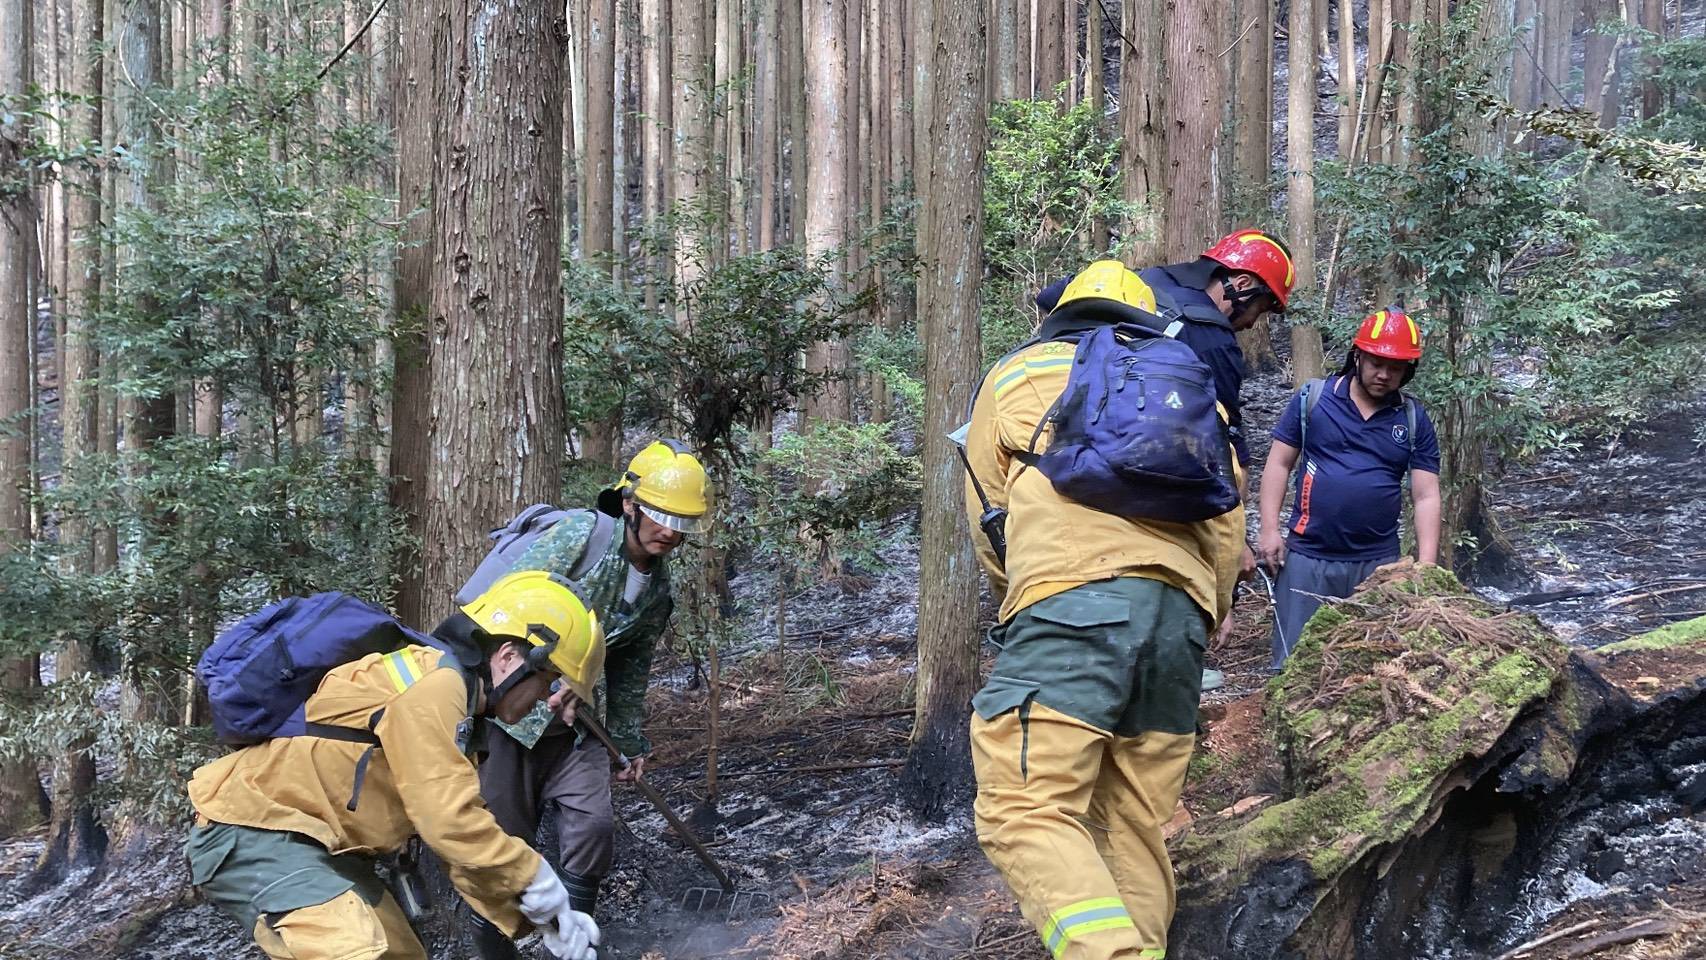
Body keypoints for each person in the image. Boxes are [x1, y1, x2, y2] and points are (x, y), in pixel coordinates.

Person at [962, 264, 1245, 960]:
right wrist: (1208, 611)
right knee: (1132, 825)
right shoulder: (1188, 387)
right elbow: (1226, 516)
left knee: (1022, 806)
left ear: (1062, 312)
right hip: (1178, 620)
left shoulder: (1015, 375)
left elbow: (987, 511)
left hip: (1071, 602)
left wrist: (1019, 596)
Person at [186, 572, 608, 960]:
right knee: (356, 951)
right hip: (256, 832)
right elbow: (448, 821)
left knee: (400, 953)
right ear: (510, 657)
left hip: (326, 851)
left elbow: (459, 849)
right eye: (548, 680)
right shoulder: (436, 685)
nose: (548, 699)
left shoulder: (460, 717)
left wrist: (541, 916)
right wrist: (534, 876)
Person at [470, 440, 714, 960]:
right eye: (660, 515)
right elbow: (509, 602)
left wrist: (627, 741)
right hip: (508, 719)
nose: (669, 531)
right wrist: (544, 672)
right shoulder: (582, 535)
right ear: (629, 504)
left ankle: (574, 945)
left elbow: (630, 667)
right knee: (504, 841)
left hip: (575, 725)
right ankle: (494, 950)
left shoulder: (658, 589)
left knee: (594, 826)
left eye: (681, 523)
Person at [1256, 307, 1443, 669]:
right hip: (1308, 557)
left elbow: (1426, 495)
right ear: (1357, 356)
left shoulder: (1413, 419)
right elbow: (1278, 464)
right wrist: (1269, 529)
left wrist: (1427, 565)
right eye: (1376, 363)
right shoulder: (1314, 400)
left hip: (1378, 563)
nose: (1384, 374)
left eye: (1395, 367)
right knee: (1294, 667)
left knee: (1371, 669)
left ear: (1408, 370)